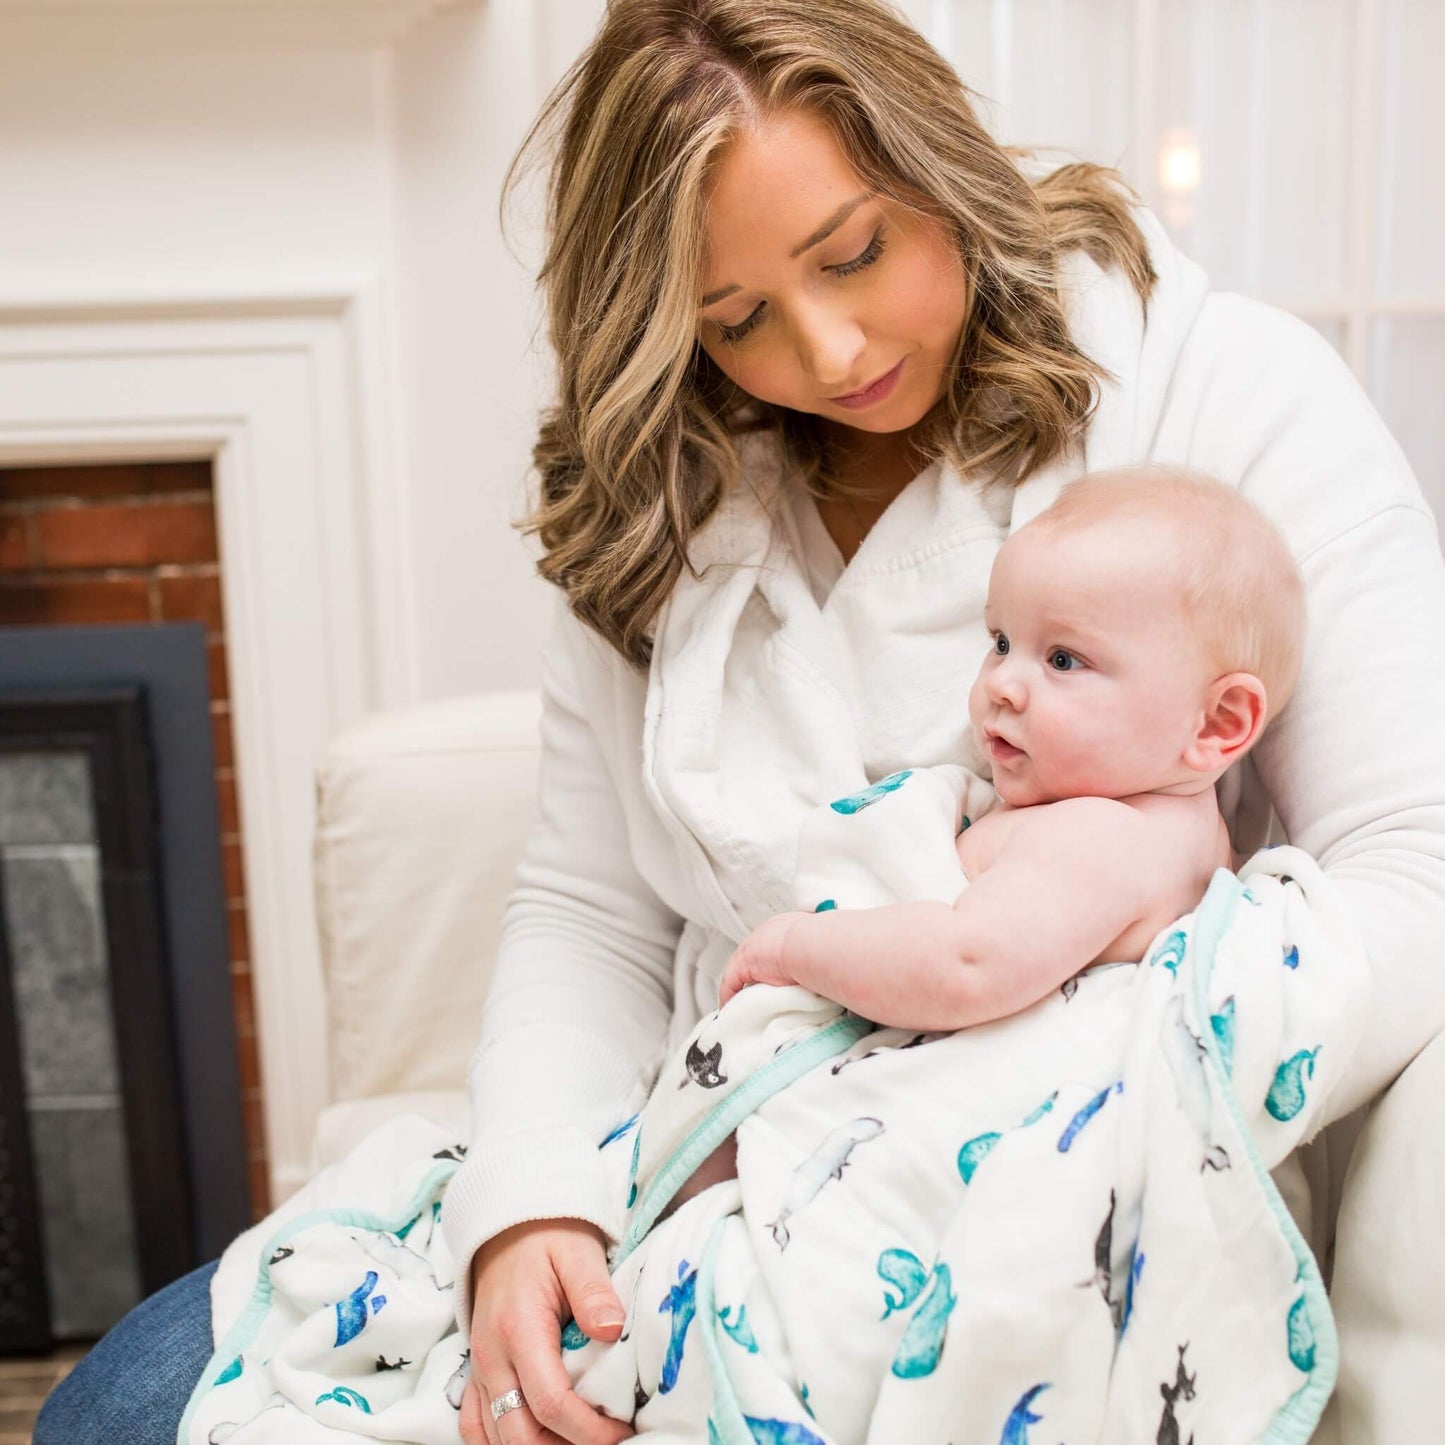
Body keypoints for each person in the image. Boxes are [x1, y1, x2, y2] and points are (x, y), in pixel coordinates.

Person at [34, 3, 1445, 1443]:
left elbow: (1410, 856)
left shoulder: (1215, 392)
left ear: (940, 167)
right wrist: (529, 1206)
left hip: (1055, 1185)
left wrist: (1136, 1056)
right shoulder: (667, 500)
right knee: (116, 1410)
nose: (829, 352)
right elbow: (590, 909)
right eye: (736, 319)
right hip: (717, 1142)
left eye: (855, 255)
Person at [715, 467, 1307, 1027]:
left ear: (1217, 725)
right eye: (1000, 642)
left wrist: (793, 947)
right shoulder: (1163, 832)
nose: (1001, 683)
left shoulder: (1110, 839)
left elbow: (965, 967)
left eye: (1063, 659)